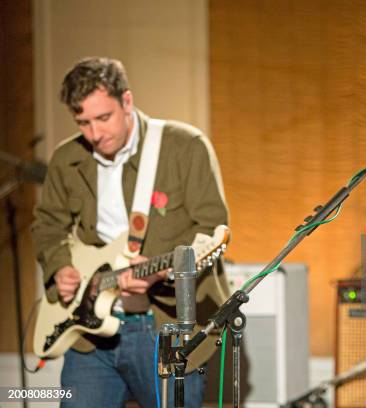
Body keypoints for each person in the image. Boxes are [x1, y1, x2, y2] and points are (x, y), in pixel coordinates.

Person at [32, 57, 229, 407]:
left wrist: (166, 272)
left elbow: (211, 230)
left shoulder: (185, 146)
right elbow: (48, 224)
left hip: (163, 327)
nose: (94, 134)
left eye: (103, 118)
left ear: (127, 101)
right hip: (89, 335)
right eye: (83, 122)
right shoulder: (67, 159)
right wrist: (60, 266)